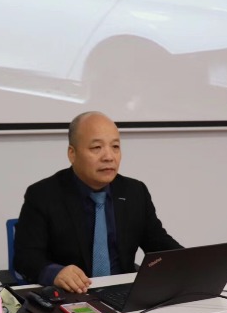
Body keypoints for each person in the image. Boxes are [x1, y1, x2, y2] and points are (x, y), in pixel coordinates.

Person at [14, 111, 183, 293]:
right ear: (72, 153)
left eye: (115, 147)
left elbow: (159, 243)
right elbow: (25, 258)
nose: (109, 157)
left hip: (124, 294)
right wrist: (55, 273)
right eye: (96, 148)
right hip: (71, 295)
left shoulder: (135, 192)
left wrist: (193, 262)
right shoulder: (43, 194)